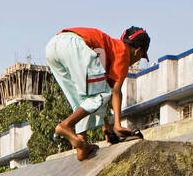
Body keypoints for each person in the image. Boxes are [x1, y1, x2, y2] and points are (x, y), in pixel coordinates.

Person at [45, 25, 150, 160]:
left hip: (53, 46)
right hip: (75, 44)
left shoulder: (111, 49)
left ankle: (81, 146)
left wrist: (107, 128)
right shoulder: (123, 51)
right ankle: (65, 125)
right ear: (138, 51)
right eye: (141, 57)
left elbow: (98, 95)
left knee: (82, 100)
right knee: (101, 95)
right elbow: (115, 91)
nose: (137, 60)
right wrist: (117, 125)